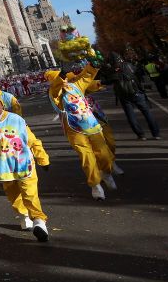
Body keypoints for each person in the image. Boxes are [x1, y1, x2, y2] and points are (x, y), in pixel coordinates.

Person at [0, 95, 52, 241]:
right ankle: (23, 214)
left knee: (30, 193)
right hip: (2, 168)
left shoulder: (16, 119)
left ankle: (39, 221)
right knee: (13, 195)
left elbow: (31, 139)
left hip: (23, 163)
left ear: (2, 104)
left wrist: (42, 158)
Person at [47, 67, 118, 199]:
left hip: (92, 126)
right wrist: (60, 78)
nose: (64, 79)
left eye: (64, 77)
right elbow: (56, 88)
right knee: (87, 158)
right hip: (75, 130)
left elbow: (86, 77)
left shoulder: (75, 86)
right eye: (60, 77)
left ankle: (106, 173)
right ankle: (95, 185)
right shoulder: (54, 93)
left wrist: (94, 66)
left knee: (104, 155)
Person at [113, 59, 161, 140]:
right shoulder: (129, 68)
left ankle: (141, 134)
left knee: (131, 116)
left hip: (124, 96)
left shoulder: (114, 73)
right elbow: (138, 75)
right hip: (137, 93)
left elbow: (106, 81)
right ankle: (156, 134)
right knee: (147, 112)